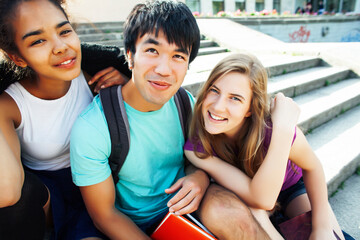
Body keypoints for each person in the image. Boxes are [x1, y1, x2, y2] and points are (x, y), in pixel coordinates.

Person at [70, 1, 302, 240]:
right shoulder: (93, 128)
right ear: (130, 55)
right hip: (135, 223)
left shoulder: (186, 104)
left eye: (178, 56)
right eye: (152, 51)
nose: (164, 69)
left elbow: (202, 157)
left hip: (192, 204)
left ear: (188, 65)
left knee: (230, 214)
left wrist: (198, 177)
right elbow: (104, 215)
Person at [0, 0, 129, 239]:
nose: (60, 46)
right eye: (38, 40)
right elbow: (7, 192)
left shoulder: (95, 74)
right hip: (50, 200)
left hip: (101, 184)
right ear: (17, 57)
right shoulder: (9, 105)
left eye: (64, 31)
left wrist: (128, 88)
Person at [184, 53, 346, 239]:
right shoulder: (198, 147)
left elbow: (313, 166)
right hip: (251, 195)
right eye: (214, 90)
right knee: (256, 212)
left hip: (290, 188)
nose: (218, 106)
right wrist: (283, 133)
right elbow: (263, 200)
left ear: (251, 108)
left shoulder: (272, 127)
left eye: (235, 98)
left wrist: (322, 228)